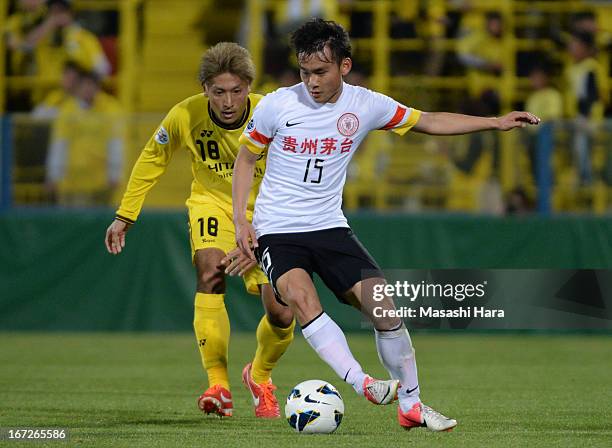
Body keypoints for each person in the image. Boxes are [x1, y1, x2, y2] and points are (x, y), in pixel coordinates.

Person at [232, 18, 540, 432]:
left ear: (344, 65)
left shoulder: (366, 105)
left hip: (328, 226)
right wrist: (241, 220)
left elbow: (428, 120)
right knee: (301, 298)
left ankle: (411, 405)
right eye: (305, 73)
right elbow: (246, 158)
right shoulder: (276, 105)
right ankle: (363, 383)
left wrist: (495, 122)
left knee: (385, 310)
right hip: (278, 229)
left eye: (321, 72)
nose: (312, 82)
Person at [104, 42, 295, 419]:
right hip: (212, 204)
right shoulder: (184, 114)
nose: (228, 101)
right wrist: (126, 215)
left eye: (237, 91)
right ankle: (218, 386)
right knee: (210, 274)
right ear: (204, 88)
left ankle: (260, 376)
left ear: (249, 87)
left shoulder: (272, 112)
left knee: (283, 314)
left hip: (269, 215)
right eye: (218, 91)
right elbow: (152, 158)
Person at [45, 70, 123, 205]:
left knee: (101, 221)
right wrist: (54, 175)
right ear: (78, 88)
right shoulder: (67, 110)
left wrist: (114, 174)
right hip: (73, 181)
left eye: (92, 85)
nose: (88, 89)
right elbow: (59, 144)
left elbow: (116, 144)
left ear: (98, 87)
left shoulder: (111, 109)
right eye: (84, 85)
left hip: (101, 181)